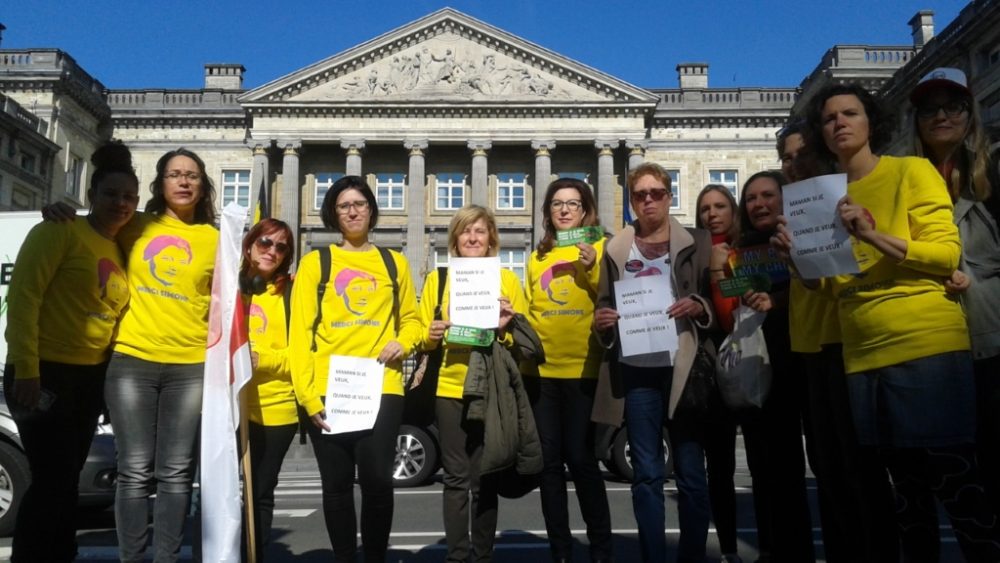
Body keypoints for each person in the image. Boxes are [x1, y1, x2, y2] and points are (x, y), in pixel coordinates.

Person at [775, 82, 1000, 561]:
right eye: (829, 118)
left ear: (870, 122)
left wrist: (875, 235)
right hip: (861, 354)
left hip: (926, 348)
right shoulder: (822, 196)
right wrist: (797, 259)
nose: (839, 123)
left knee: (959, 489)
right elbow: (828, 287)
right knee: (905, 501)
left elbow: (945, 255)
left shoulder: (910, 171)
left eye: (849, 113)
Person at [3, 142, 138, 562]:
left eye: (129, 197)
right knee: (50, 480)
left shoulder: (119, 248)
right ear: (91, 196)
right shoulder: (58, 231)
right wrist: (26, 368)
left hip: (88, 379)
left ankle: (60, 553)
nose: (120, 203)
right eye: (111, 194)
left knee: (63, 479)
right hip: (43, 372)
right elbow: (25, 299)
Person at [777, 122, 898, 563]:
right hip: (810, 347)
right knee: (827, 472)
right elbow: (812, 283)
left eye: (802, 155)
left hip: (850, 342)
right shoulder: (790, 214)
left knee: (861, 471)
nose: (794, 165)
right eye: (786, 159)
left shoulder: (847, 198)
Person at [289, 175, 422, 562]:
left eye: (359, 203)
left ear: (371, 210)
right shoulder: (317, 263)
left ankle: (375, 556)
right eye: (344, 205)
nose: (352, 211)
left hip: (381, 386)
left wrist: (405, 340)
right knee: (336, 484)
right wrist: (308, 395)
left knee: (380, 481)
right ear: (333, 213)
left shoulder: (393, 262)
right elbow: (300, 334)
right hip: (330, 389)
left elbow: (411, 319)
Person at [592, 162, 714, 563]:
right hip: (638, 369)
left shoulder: (698, 242)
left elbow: (714, 298)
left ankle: (692, 556)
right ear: (631, 201)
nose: (648, 200)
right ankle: (653, 556)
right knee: (646, 475)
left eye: (656, 193)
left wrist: (698, 306)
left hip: (683, 367)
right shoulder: (616, 250)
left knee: (692, 473)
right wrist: (604, 324)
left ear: (669, 196)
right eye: (640, 194)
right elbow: (605, 306)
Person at [104, 148, 218, 563]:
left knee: (176, 473)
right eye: (175, 174)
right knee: (133, 470)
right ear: (160, 184)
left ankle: (166, 558)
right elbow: (89, 235)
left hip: (190, 364)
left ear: (203, 185)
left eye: (192, 175)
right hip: (132, 359)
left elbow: (229, 299)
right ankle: (132, 559)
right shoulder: (133, 224)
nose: (184, 181)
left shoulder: (215, 239)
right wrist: (58, 212)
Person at [711, 171, 816, 563]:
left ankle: (796, 550)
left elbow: (818, 286)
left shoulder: (799, 237)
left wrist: (779, 300)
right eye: (751, 198)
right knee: (762, 467)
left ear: (784, 199)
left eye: (767, 195)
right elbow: (731, 303)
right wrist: (720, 270)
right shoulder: (742, 248)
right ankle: (771, 548)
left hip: (797, 356)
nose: (759, 204)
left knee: (792, 469)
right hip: (756, 360)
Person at [909, 67, 1000, 518]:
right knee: (951, 475)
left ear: (970, 112)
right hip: (935, 341)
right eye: (930, 108)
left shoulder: (993, 167)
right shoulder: (908, 177)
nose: (941, 115)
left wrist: (973, 278)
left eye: (953, 106)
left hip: (988, 334)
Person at [416, 204, 529, 563]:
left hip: (492, 388)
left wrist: (507, 327)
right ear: (455, 240)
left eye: (480, 231)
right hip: (450, 387)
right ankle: (457, 556)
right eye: (465, 231)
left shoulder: (508, 280)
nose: (473, 237)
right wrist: (432, 334)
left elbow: (523, 342)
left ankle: (483, 555)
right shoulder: (439, 280)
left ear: (491, 238)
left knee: (485, 479)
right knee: (455, 478)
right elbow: (422, 336)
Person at [522, 179, 613, 563]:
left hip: (583, 370)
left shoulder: (600, 247)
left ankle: (601, 548)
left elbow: (609, 296)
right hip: (542, 372)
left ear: (585, 210)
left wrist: (592, 269)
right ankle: (559, 549)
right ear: (548, 212)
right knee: (548, 465)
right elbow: (529, 309)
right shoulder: (537, 257)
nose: (564, 210)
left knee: (581, 458)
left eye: (572, 204)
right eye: (557, 204)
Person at [241, 218, 297, 561]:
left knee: (260, 491)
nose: (272, 251)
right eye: (265, 242)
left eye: (280, 246)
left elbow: (305, 356)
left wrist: (263, 359)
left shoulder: (290, 293)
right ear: (249, 244)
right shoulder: (228, 286)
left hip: (276, 407)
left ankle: (254, 555)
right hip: (229, 405)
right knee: (220, 493)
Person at [692, 184, 742, 563]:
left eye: (720, 206)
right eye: (705, 208)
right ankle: (728, 550)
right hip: (715, 369)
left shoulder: (753, 247)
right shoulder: (697, 255)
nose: (712, 214)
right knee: (720, 469)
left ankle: (775, 546)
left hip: (759, 363)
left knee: (769, 465)